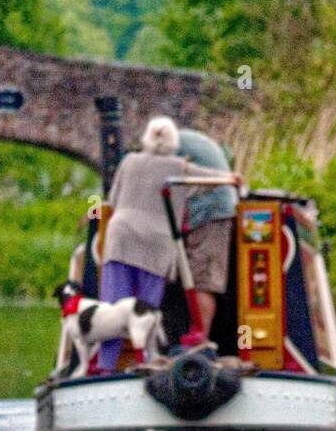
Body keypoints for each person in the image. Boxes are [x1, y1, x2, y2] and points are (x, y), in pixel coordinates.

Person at [97, 116, 237, 371]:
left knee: (112, 307)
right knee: (149, 307)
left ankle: (107, 364)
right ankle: (151, 358)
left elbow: (113, 200)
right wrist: (235, 179)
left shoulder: (129, 161)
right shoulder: (177, 165)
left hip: (120, 238)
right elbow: (218, 179)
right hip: (156, 243)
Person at [178, 128, 239, 338]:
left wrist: (94, 211)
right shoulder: (186, 141)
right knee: (200, 276)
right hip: (211, 210)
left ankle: (199, 337)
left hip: (208, 213)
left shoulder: (161, 152)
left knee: (202, 278)